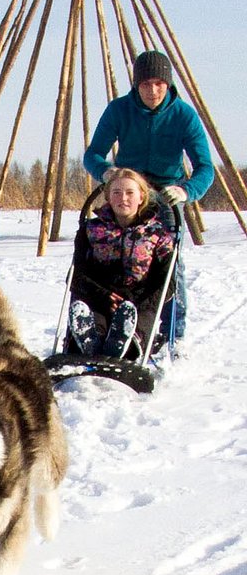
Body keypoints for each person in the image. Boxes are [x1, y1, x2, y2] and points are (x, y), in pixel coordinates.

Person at [83, 49, 214, 342]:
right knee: (111, 261)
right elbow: (92, 154)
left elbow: (205, 168)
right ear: (136, 85)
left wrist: (185, 190)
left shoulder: (183, 115)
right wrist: (106, 173)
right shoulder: (119, 110)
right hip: (127, 194)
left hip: (165, 198)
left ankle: (171, 337)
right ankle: (108, 324)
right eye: (145, 84)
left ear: (168, 85)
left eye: (159, 84)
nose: (152, 90)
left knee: (168, 269)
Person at [68, 168, 175, 359]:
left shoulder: (159, 235)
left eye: (129, 193)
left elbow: (167, 283)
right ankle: (90, 342)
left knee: (136, 319)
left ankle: (128, 346)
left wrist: (134, 302)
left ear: (142, 197)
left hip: (140, 300)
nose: (122, 198)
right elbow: (77, 274)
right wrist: (103, 296)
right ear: (108, 197)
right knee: (92, 314)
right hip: (99, 295)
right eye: (116, 193)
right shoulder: (91, 229)